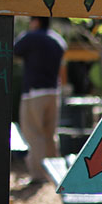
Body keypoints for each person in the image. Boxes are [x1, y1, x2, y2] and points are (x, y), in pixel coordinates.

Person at [14, 16, 67, 184]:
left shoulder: (31, 37)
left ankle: (38, 175)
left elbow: (14, 50)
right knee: (50, 134)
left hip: (34, 93)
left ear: (36, 21)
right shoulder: (58, 40)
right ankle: (54, 173)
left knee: (33, 133)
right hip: (53, 92)